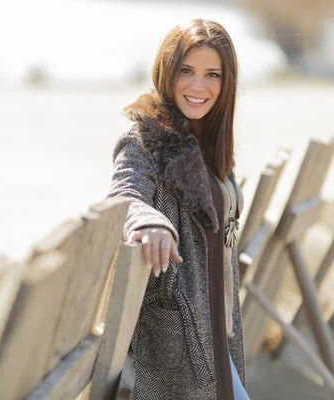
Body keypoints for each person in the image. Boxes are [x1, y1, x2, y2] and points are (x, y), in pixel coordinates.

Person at [108, 19, 249, 399]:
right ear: (166, 72)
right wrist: (149, 220)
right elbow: (124, 195)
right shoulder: (144, 140)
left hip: (220, 332)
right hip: (178, 338)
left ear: (227, 82)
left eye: (212, 74)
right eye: (186, 71)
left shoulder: (212, 144)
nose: (198, 86)